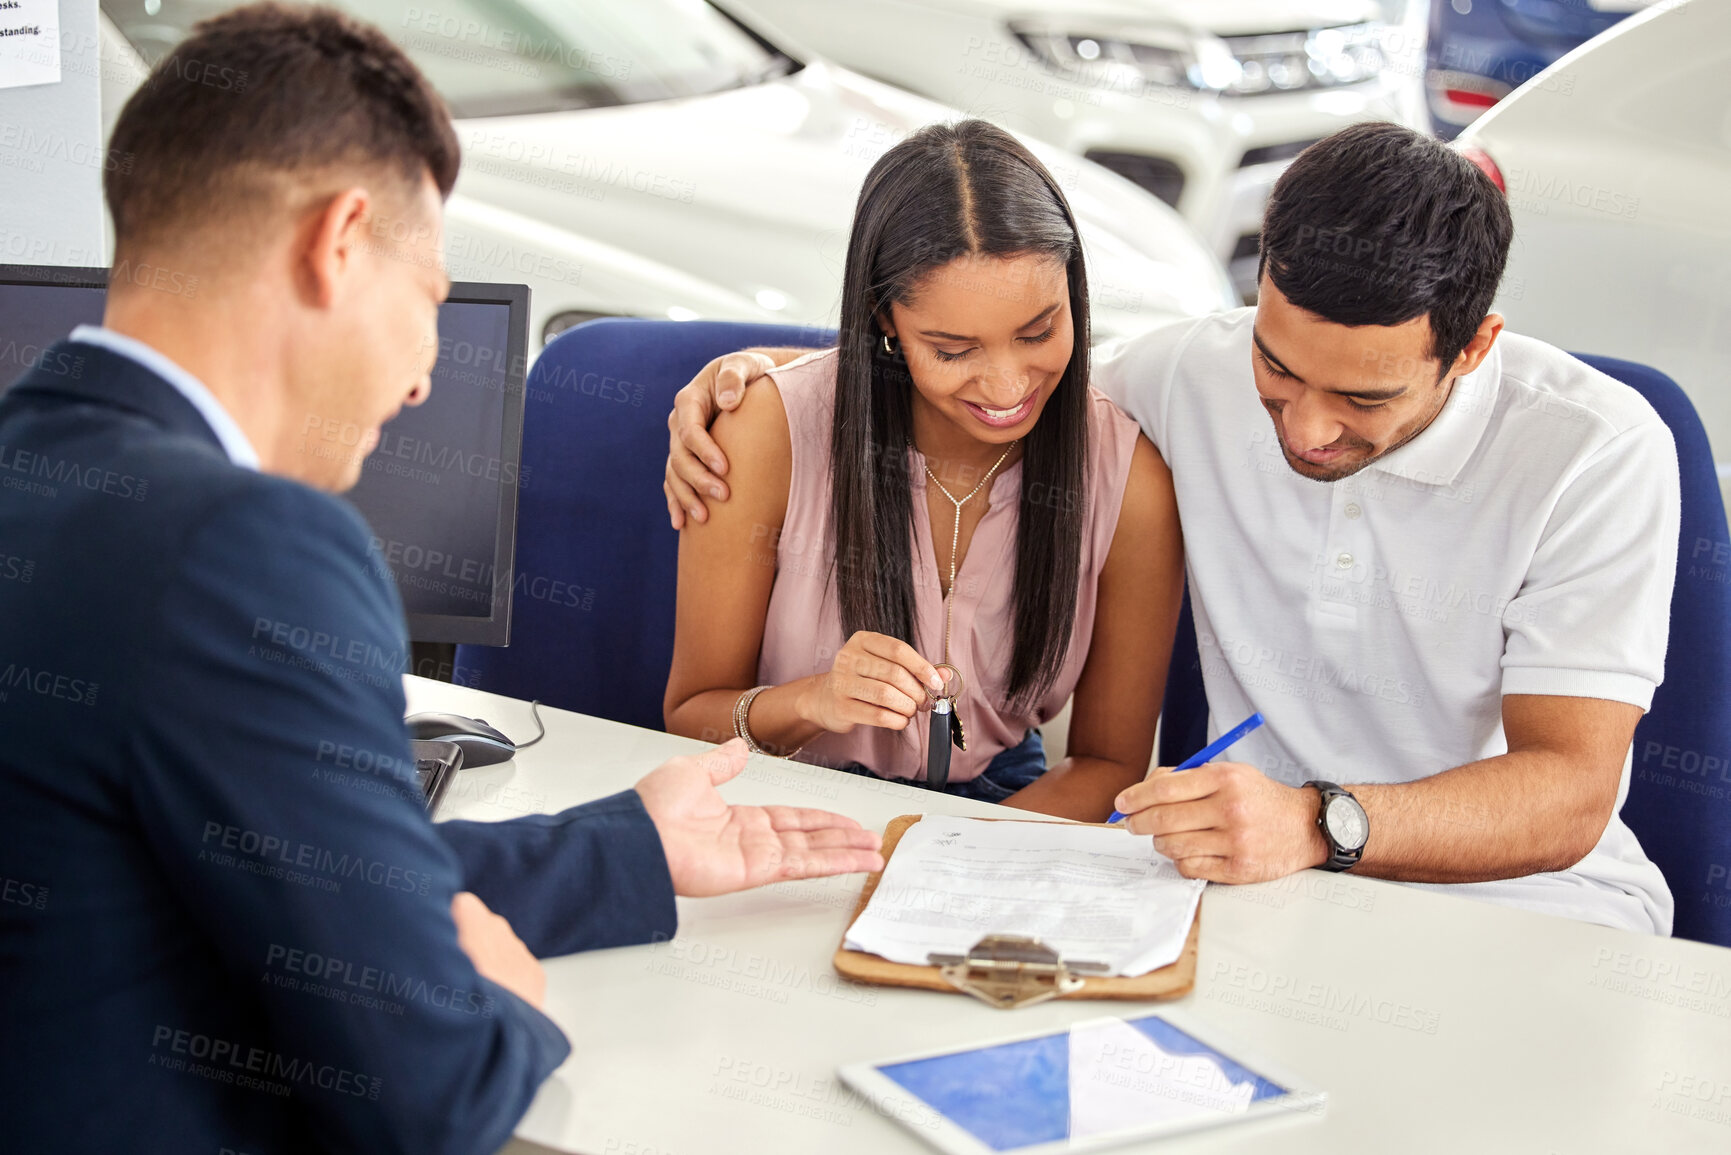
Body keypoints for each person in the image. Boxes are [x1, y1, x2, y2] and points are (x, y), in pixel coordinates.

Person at [0, 7, 881, 1154]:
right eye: (426, 297)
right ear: (340, 240)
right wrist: (504, 994)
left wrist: (625, 851)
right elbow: (435, 1093)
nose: (422, 382)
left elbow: (292, 869)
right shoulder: (254, 548)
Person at [664, 122, 1681, 935]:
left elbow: (1567, 793)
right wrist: (745, 377)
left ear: (1472, 349)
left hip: (1525, 903)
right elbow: (986, 386)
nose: (1311, 428)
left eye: (1363, 399)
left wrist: (1316, 822)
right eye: (1279, 371)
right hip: (1255, 887)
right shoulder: (1185, 378)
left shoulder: (1597, 450)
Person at [662, 120, 1184, 820]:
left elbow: (1107, 764)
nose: (1005, 388)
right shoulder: (764, 434)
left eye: (1037, 332)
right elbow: (689, 715)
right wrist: (813, 700)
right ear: (885, 320)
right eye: (952, 348)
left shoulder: (1129, 481)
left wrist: (960, 858)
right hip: (788, 790)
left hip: (1012, 813)